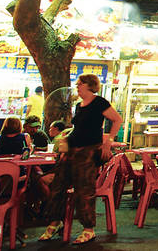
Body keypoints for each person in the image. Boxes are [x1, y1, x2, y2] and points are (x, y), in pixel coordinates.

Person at [40, 74, 122, 245]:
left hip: (88, 152)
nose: (77, 87)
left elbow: (117, 120)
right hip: (72, 150)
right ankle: (55, 221)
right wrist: (65, 141)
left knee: (84, 190)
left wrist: (109, 140)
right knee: (58, 185)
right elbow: (78, 129)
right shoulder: (79, 106)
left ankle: (88, 228)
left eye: (80, 84)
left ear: (89, 85)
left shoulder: (99, 102)